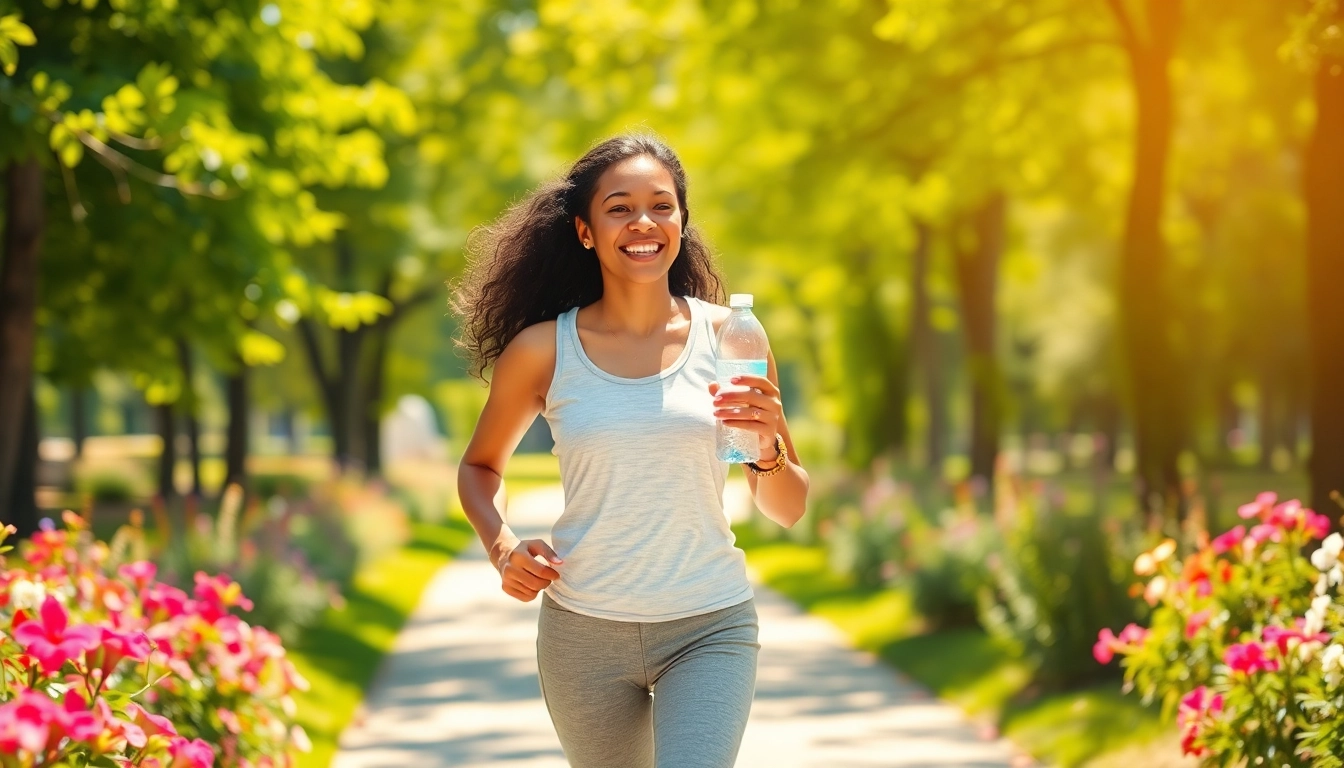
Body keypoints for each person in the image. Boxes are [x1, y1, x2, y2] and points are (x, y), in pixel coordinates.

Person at [451, 134, 810, 768]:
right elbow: (480, 468)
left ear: (681, 222)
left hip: (709, 624)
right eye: (619, 207)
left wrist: (769, 444)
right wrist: (502, 545)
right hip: (583, 632)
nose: (643, 222)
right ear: (585, 231)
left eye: (661, 206)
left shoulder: (732, 337)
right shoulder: (543, 349)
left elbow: (787, 509)